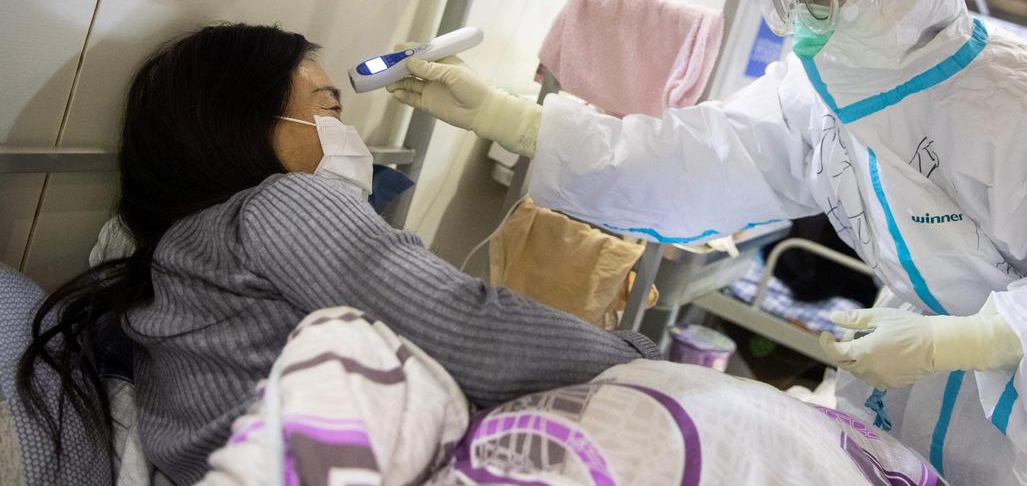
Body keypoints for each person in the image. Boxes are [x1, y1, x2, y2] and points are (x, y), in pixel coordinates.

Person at [390, 0, 1027, 485]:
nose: (804, 12)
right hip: (914, 405)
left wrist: (967, 338)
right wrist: (514, 119)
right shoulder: (822, 86)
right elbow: (702, 161)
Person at [18, 24, 657, 485]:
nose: (347, 135)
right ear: (245, 126)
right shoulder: (283, 203)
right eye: (329, 109)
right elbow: (466, 324)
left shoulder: (168, 259)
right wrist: (645, 366)